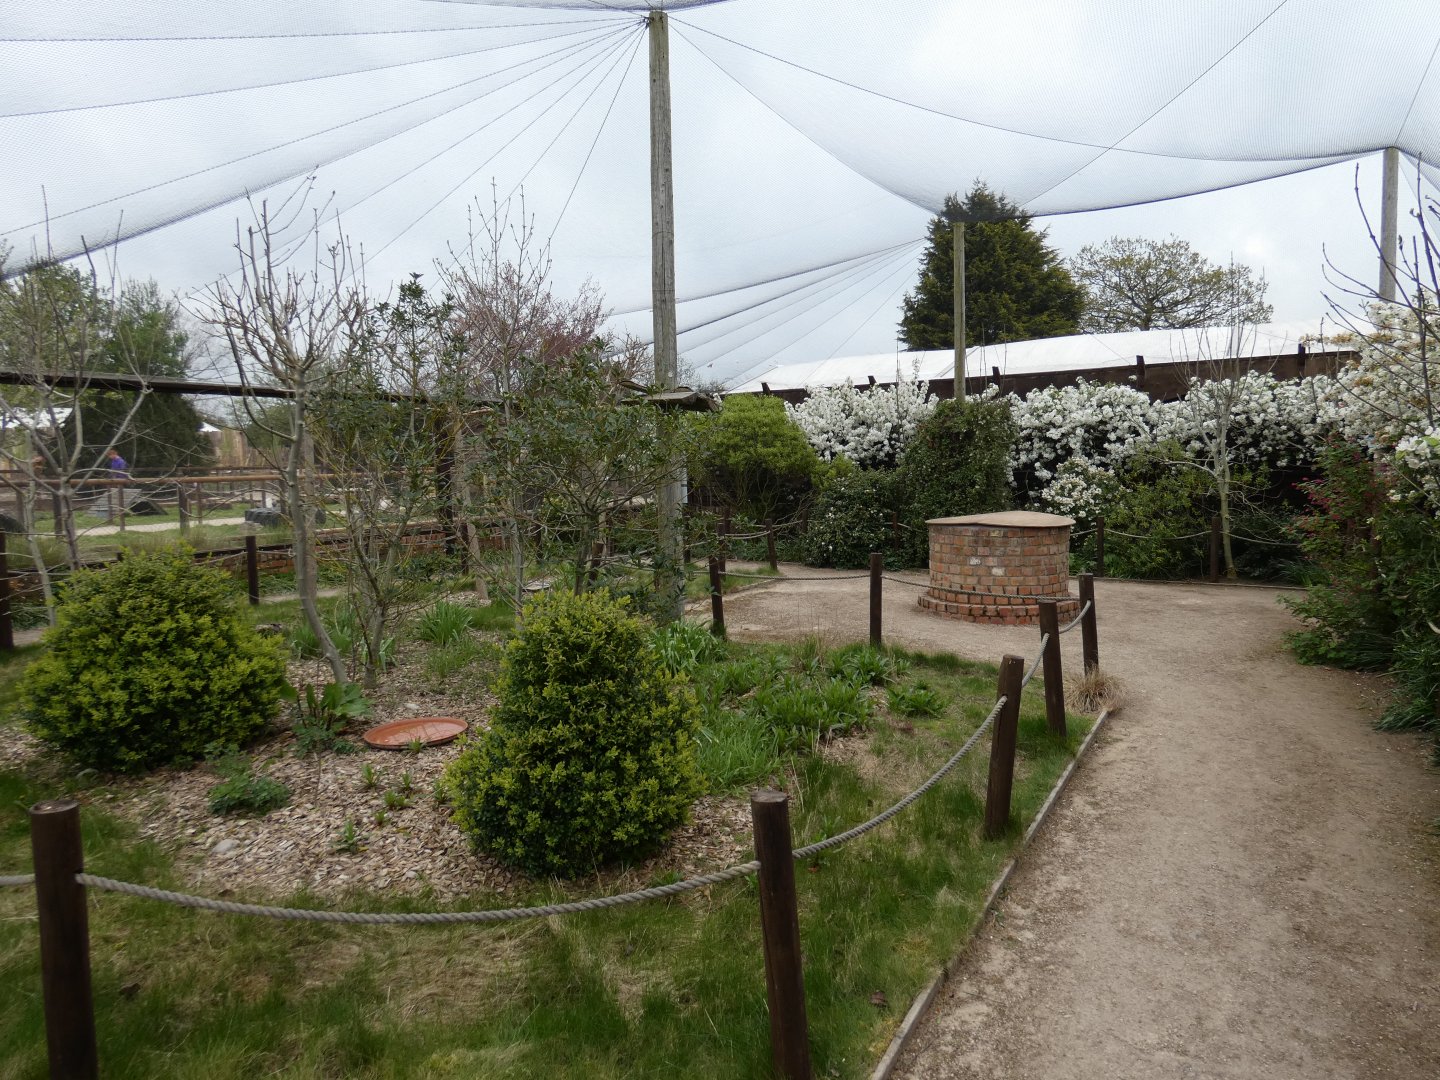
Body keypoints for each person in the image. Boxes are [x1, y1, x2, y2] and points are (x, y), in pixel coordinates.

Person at [105, 448, 131, 521]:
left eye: (109, 456)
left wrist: (117, 479)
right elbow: (113, 470)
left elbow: (122, 471)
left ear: (114, 454)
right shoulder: (113, 461)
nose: (109, 458)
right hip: (115, 479)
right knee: (115, 494)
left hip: (121, 479)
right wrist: (111, 477)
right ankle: (116, 510)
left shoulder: (121, 461)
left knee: (120, 494)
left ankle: (121, 511)